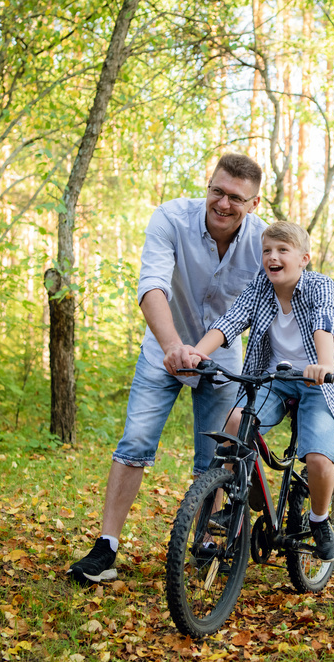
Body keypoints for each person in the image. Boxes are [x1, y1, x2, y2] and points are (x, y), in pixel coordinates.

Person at [68, 153, 267, 585]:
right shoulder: (170, 219)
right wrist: (173, 346)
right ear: (208, 185)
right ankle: (106, 548)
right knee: (135, 441)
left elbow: (275, 302)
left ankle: (206, 542)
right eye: (217, 191)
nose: (224, 203)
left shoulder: (263, 242)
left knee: (215, 457)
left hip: (223, 355)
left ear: (253, 203)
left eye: (236, 197)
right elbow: (152, 285)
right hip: (163, 347)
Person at [183, 221, 334, 561]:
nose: (272, 257)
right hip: (273, 378)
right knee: (235, 424)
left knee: (317, 458)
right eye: (267, 251)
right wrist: (199, 352)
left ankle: (318, 520)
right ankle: (236, 501)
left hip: (318, 381)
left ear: (303, 258)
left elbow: (324, 322)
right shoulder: (259, 287)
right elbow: (231, 320)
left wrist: (325, 365)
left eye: (282, 250)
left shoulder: (319, 286)